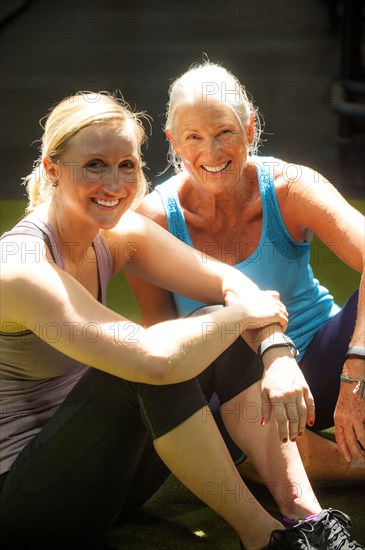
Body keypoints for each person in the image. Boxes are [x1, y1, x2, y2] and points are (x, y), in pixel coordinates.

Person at [0, 90, 340, 550]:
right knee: (154, 360)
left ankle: (307, 520)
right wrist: (240, 314)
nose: (115, 183)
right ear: (53, 169)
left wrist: (276, 352)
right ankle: (267, 540)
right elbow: (155, 361)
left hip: (110, 481)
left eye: (127, 165)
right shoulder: (18, 263)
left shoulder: (118, 233)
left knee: (208, 325)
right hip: (28, 502)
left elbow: (230, 284)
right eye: (94, 165)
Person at [124, 61, 365, 541]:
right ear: (171, 140)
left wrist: (356, 367)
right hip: (233, 387)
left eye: (223, 132)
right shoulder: (150, 218)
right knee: (241, 441)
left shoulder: (290, 185)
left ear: (250, 127)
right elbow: (160, 337)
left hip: (317, 352)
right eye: (192, 137)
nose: (210, 152)